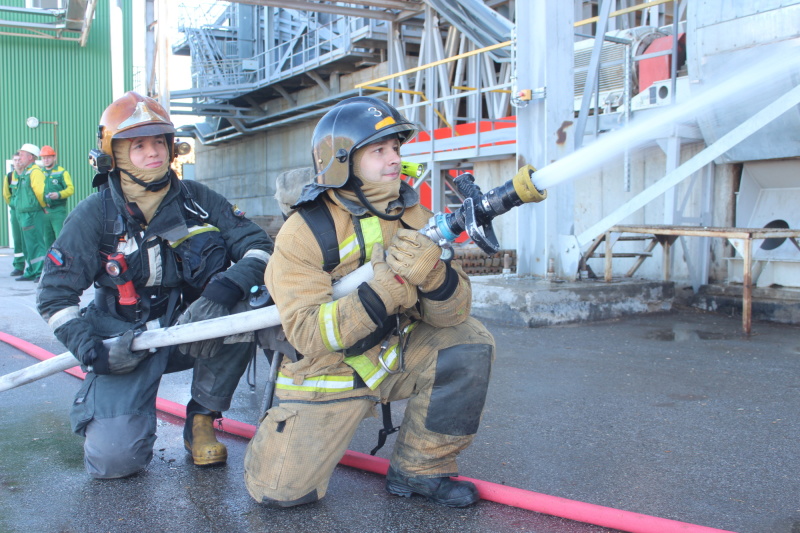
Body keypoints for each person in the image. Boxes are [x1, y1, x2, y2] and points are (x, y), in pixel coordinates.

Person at [244, 96, 495, 508]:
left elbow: (456, 311)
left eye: (396, 147)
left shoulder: (412, 215)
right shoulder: (302, 231)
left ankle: (420, 470)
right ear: (342, 161)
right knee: (280, 494)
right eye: (378, 150)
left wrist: (434, 276)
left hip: (391, 353)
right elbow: (308, 333)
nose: (394, 158)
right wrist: (383, 294)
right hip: (327, 371)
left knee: (468, 341)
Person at [36, 91, 273, 479]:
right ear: (111, 155)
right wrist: (93, 352)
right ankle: (119, 415)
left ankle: (201, 417)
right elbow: (54, 297)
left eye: (160, 142)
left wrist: (222, 292)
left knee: (249, 308)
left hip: (192, 329)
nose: (154, 153)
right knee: (114, 462)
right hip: (124, 342)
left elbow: (259, 246)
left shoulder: (198, 200)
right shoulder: (94, 215)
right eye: (140, 145)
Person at [14, 143, 47, 282]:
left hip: (32, 214)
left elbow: (40, 192)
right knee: (28, 245)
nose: (19, 157)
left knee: (36, 244)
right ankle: (31, 271)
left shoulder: (35, 172)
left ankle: (39, 272)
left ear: (30, 157)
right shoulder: (25, 172)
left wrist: (44, 206)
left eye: (22, 154)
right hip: (24, 214)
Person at [39, 145, 74, 246]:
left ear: (54, 157)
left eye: (48, 157)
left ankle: (62, 261)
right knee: (46, 241)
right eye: (44, 158)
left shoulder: (62, 172)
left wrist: (58, 195)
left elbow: (70, 189)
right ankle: (48, 261)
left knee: (60, 238)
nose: (46, 160)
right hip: (45, 211)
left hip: (58, 211)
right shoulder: (40, 173)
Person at [3, 153, 26, 276]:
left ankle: (33, 268)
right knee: (17, 240)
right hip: (15, 211)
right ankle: (18, 265)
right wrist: (14, 204)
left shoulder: (28, 174)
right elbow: (6, 194)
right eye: (15, 160)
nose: (17, 162)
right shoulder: (10, 176)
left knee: (29, 240)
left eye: (19, 160)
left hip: (28, 212)